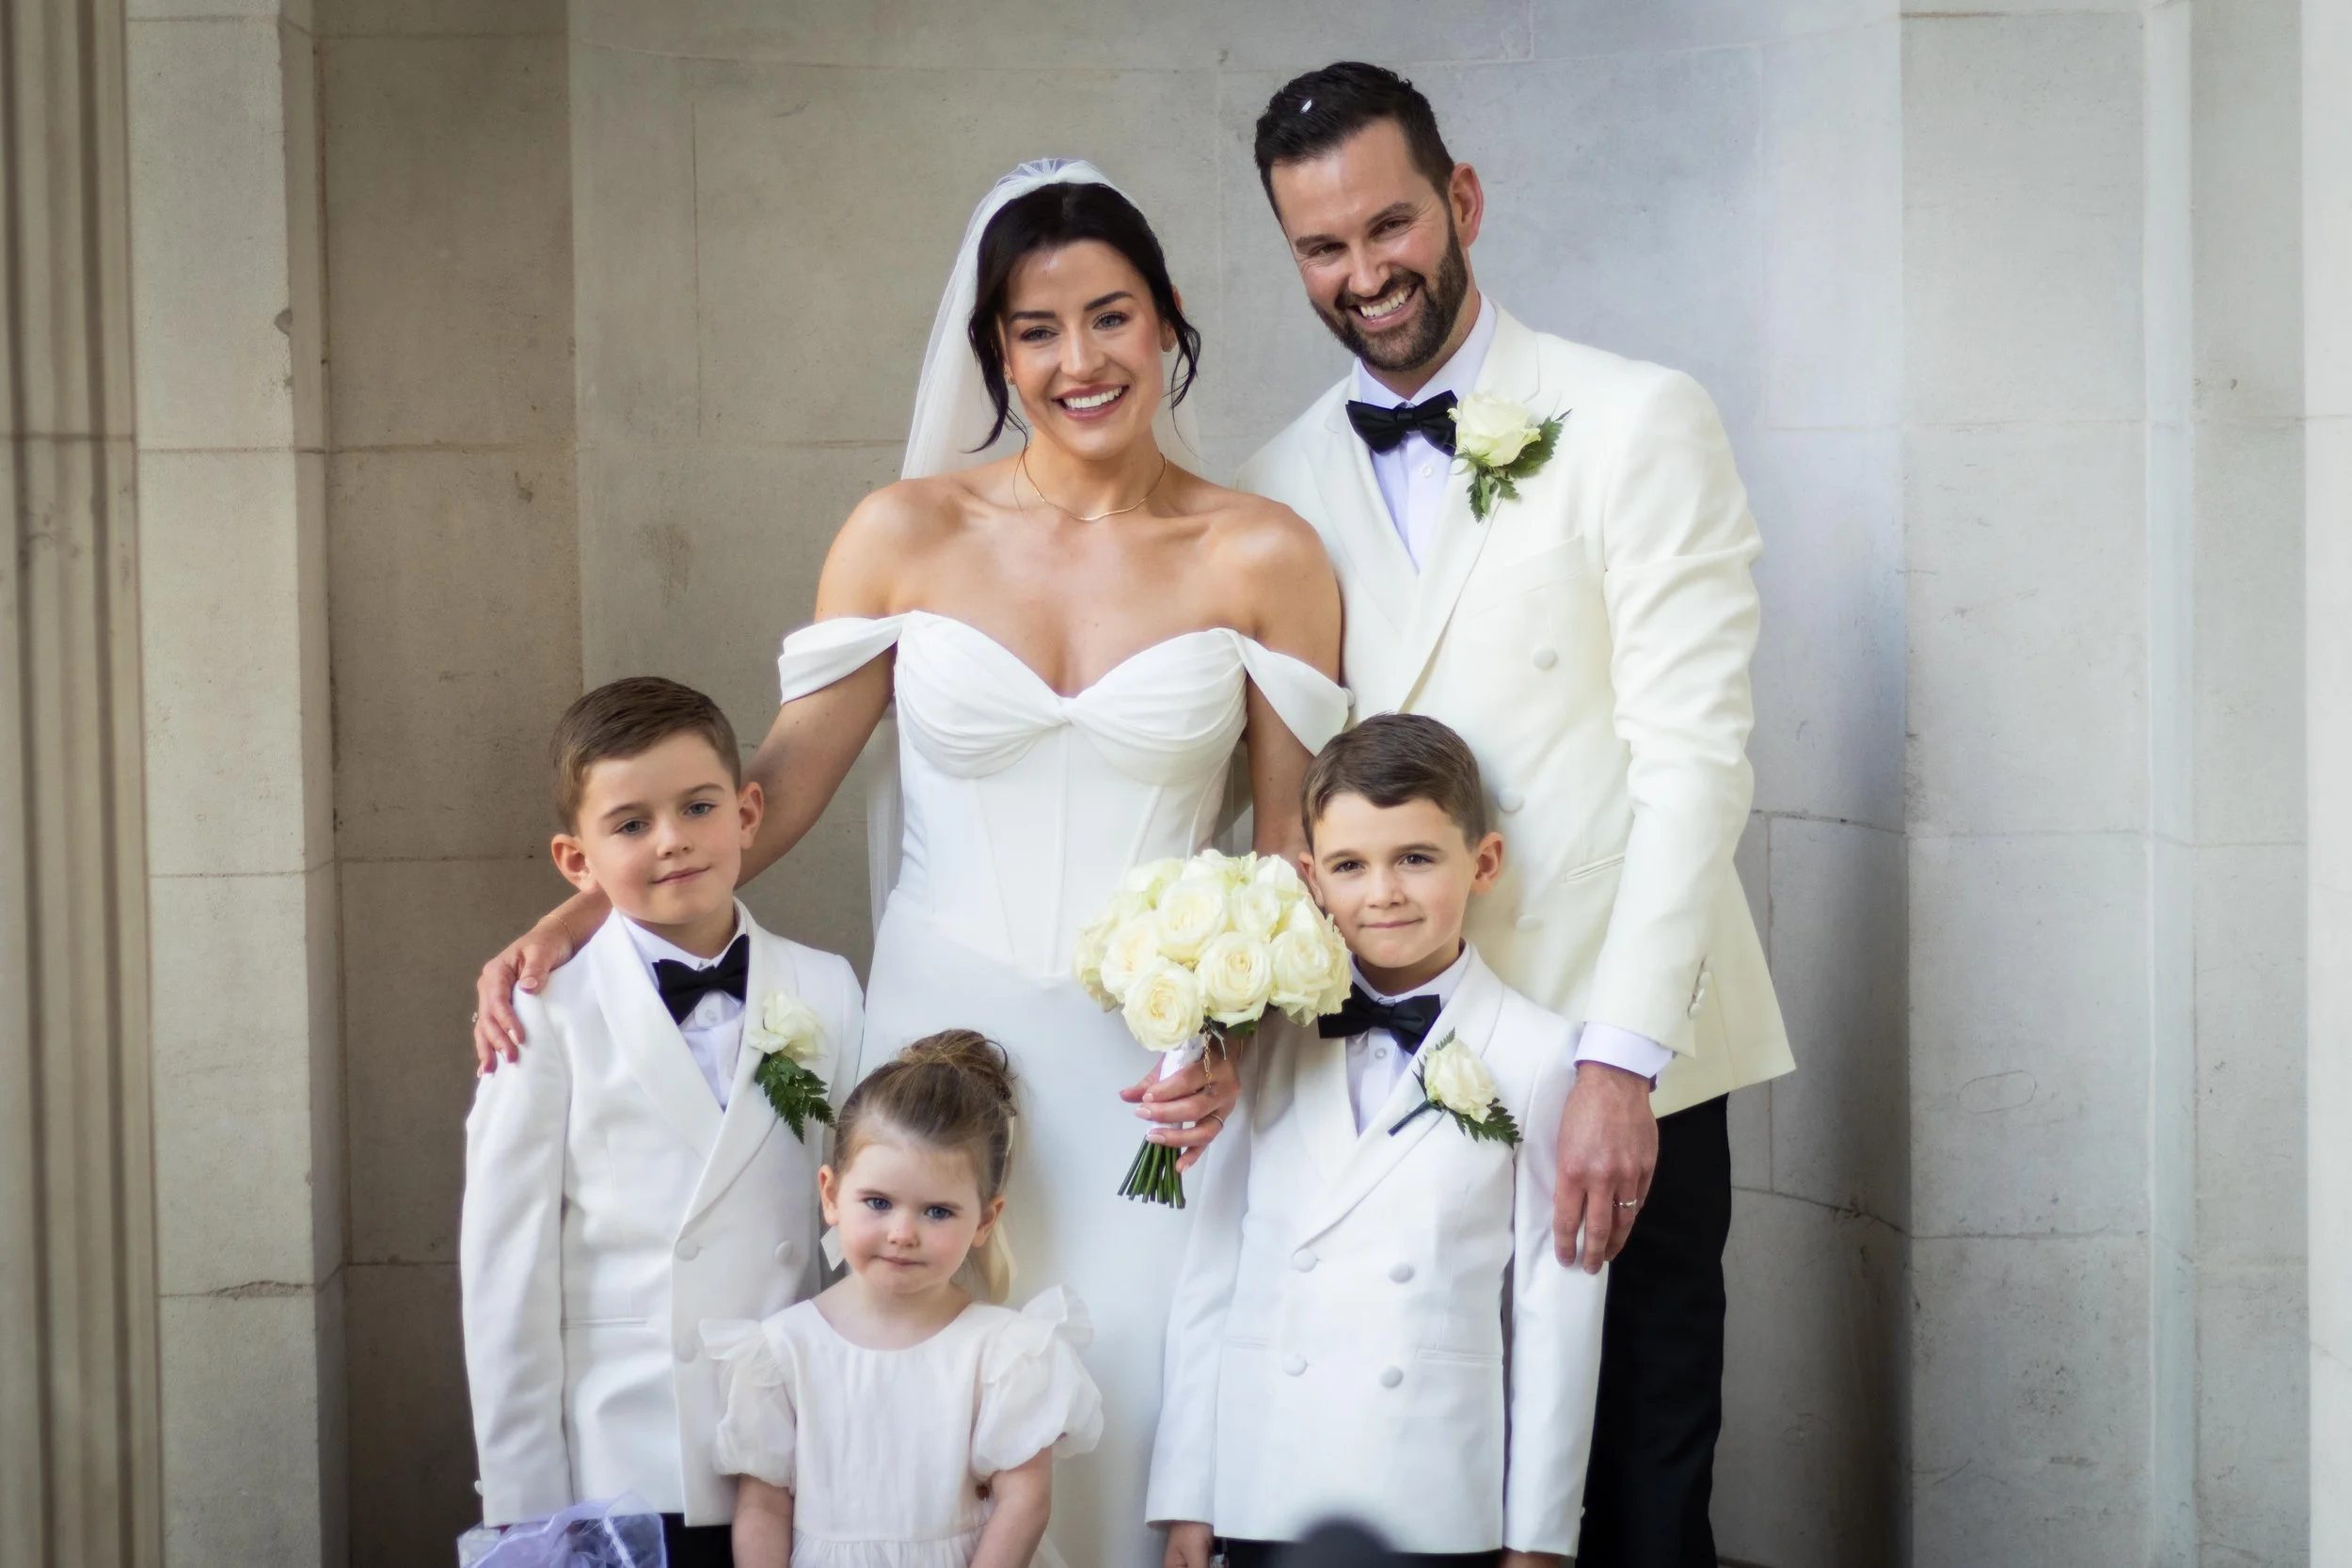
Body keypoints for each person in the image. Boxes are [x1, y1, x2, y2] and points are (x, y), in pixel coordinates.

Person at [470, 162, 1348, 1565]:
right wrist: (578, 915)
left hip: (1152, 1077)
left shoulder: (1264, 553)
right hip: (935, 1040)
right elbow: (770, 788)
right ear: (993, 347)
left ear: (1167, 316)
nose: (1078, 360)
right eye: (1036, 330)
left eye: (1110, 316)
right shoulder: (903, 533)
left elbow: (1296, 854)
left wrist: (1242, 1041)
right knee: (914, 1428)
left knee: (1129, 1412)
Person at [1241, 64, 1794, 1568]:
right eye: (1322, 247)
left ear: (1463, 200)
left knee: (1639, 1483)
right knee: (1432, 1486)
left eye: (1390, 225)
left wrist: (1621, 1056)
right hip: (1395, 1066)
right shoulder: (1274, 487)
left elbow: (1695, 760)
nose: (1365, 273)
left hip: (1627, 1034)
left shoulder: (1636, 417)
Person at [1148, 716, 1606, 1568]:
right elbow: (1212, 1270)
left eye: (1416, 858)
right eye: (1351, 865)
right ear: (1311, 876)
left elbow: (1555, 1315)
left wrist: (1539, 1540)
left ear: (1484, 862)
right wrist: (1187, 1497)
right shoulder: (1261, 1034)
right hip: (1267, 1475)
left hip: (1433, 1489)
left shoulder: (1540, 1051)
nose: (1384, 892)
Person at [460, 676, 866, 1568]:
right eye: (632, 823)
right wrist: (525, 1506)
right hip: (625, 1461)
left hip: (794, 1450)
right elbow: (505, 1272)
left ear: (748, 812)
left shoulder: (827, 986)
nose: (672, 838)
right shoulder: (545, 1014)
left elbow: (854, 1218)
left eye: (698, 807)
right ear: (577, 860)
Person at [703, 1032, 1104, 1568]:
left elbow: (1025, 1502)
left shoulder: (1007, 1354)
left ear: (985, 1220)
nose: (902, 1233)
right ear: (831, 1195)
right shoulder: (781, 1351)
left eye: (937, 1211)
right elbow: (763, 1506)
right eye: (878, 1202)